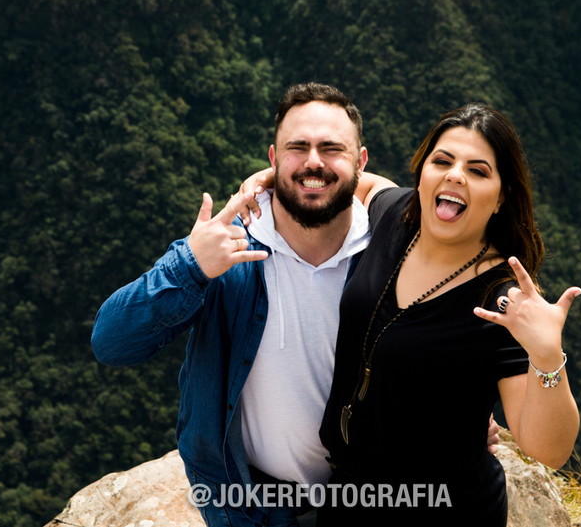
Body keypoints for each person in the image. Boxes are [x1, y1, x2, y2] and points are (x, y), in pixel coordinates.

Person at [92, 83, 398, 527]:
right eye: (298, 148)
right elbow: (111, 342)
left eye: (331, 148)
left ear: (361, 161)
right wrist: (190, 267)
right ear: (274, 160)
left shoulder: (388, 257)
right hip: (245, 502)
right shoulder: (227, 252)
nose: (313, 161)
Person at [316, 102, 581, 526]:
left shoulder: (502, 302)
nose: (455, 174)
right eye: (443, 161)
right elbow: (363, 184)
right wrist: (274, 178)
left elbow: (549, 449)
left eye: (478, 171)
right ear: (422, 175)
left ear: (501, 198)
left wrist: (547, 356)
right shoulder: (394, 216)